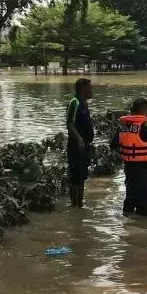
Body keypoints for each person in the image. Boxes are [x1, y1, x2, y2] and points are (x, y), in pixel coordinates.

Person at [111, 98, 147, 216]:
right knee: (144, 202)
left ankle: (126, 225)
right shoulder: (144, 126)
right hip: (144, 169)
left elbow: (113, 145)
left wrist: (125, 152)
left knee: (130, 198)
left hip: (129, 168)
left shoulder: (122, 127)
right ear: (144, 110)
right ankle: (143, 229)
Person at [66, 78, 95, 208]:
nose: (92, 91)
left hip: (84, 146)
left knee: (82, 176)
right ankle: (74, 205)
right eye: (90, 89)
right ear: (83, 89)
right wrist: (79, 139)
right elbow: (70, 124)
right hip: (75, 145)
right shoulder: (75, 102)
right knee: (75, 177)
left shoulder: (84, 103)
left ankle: (80, 205)